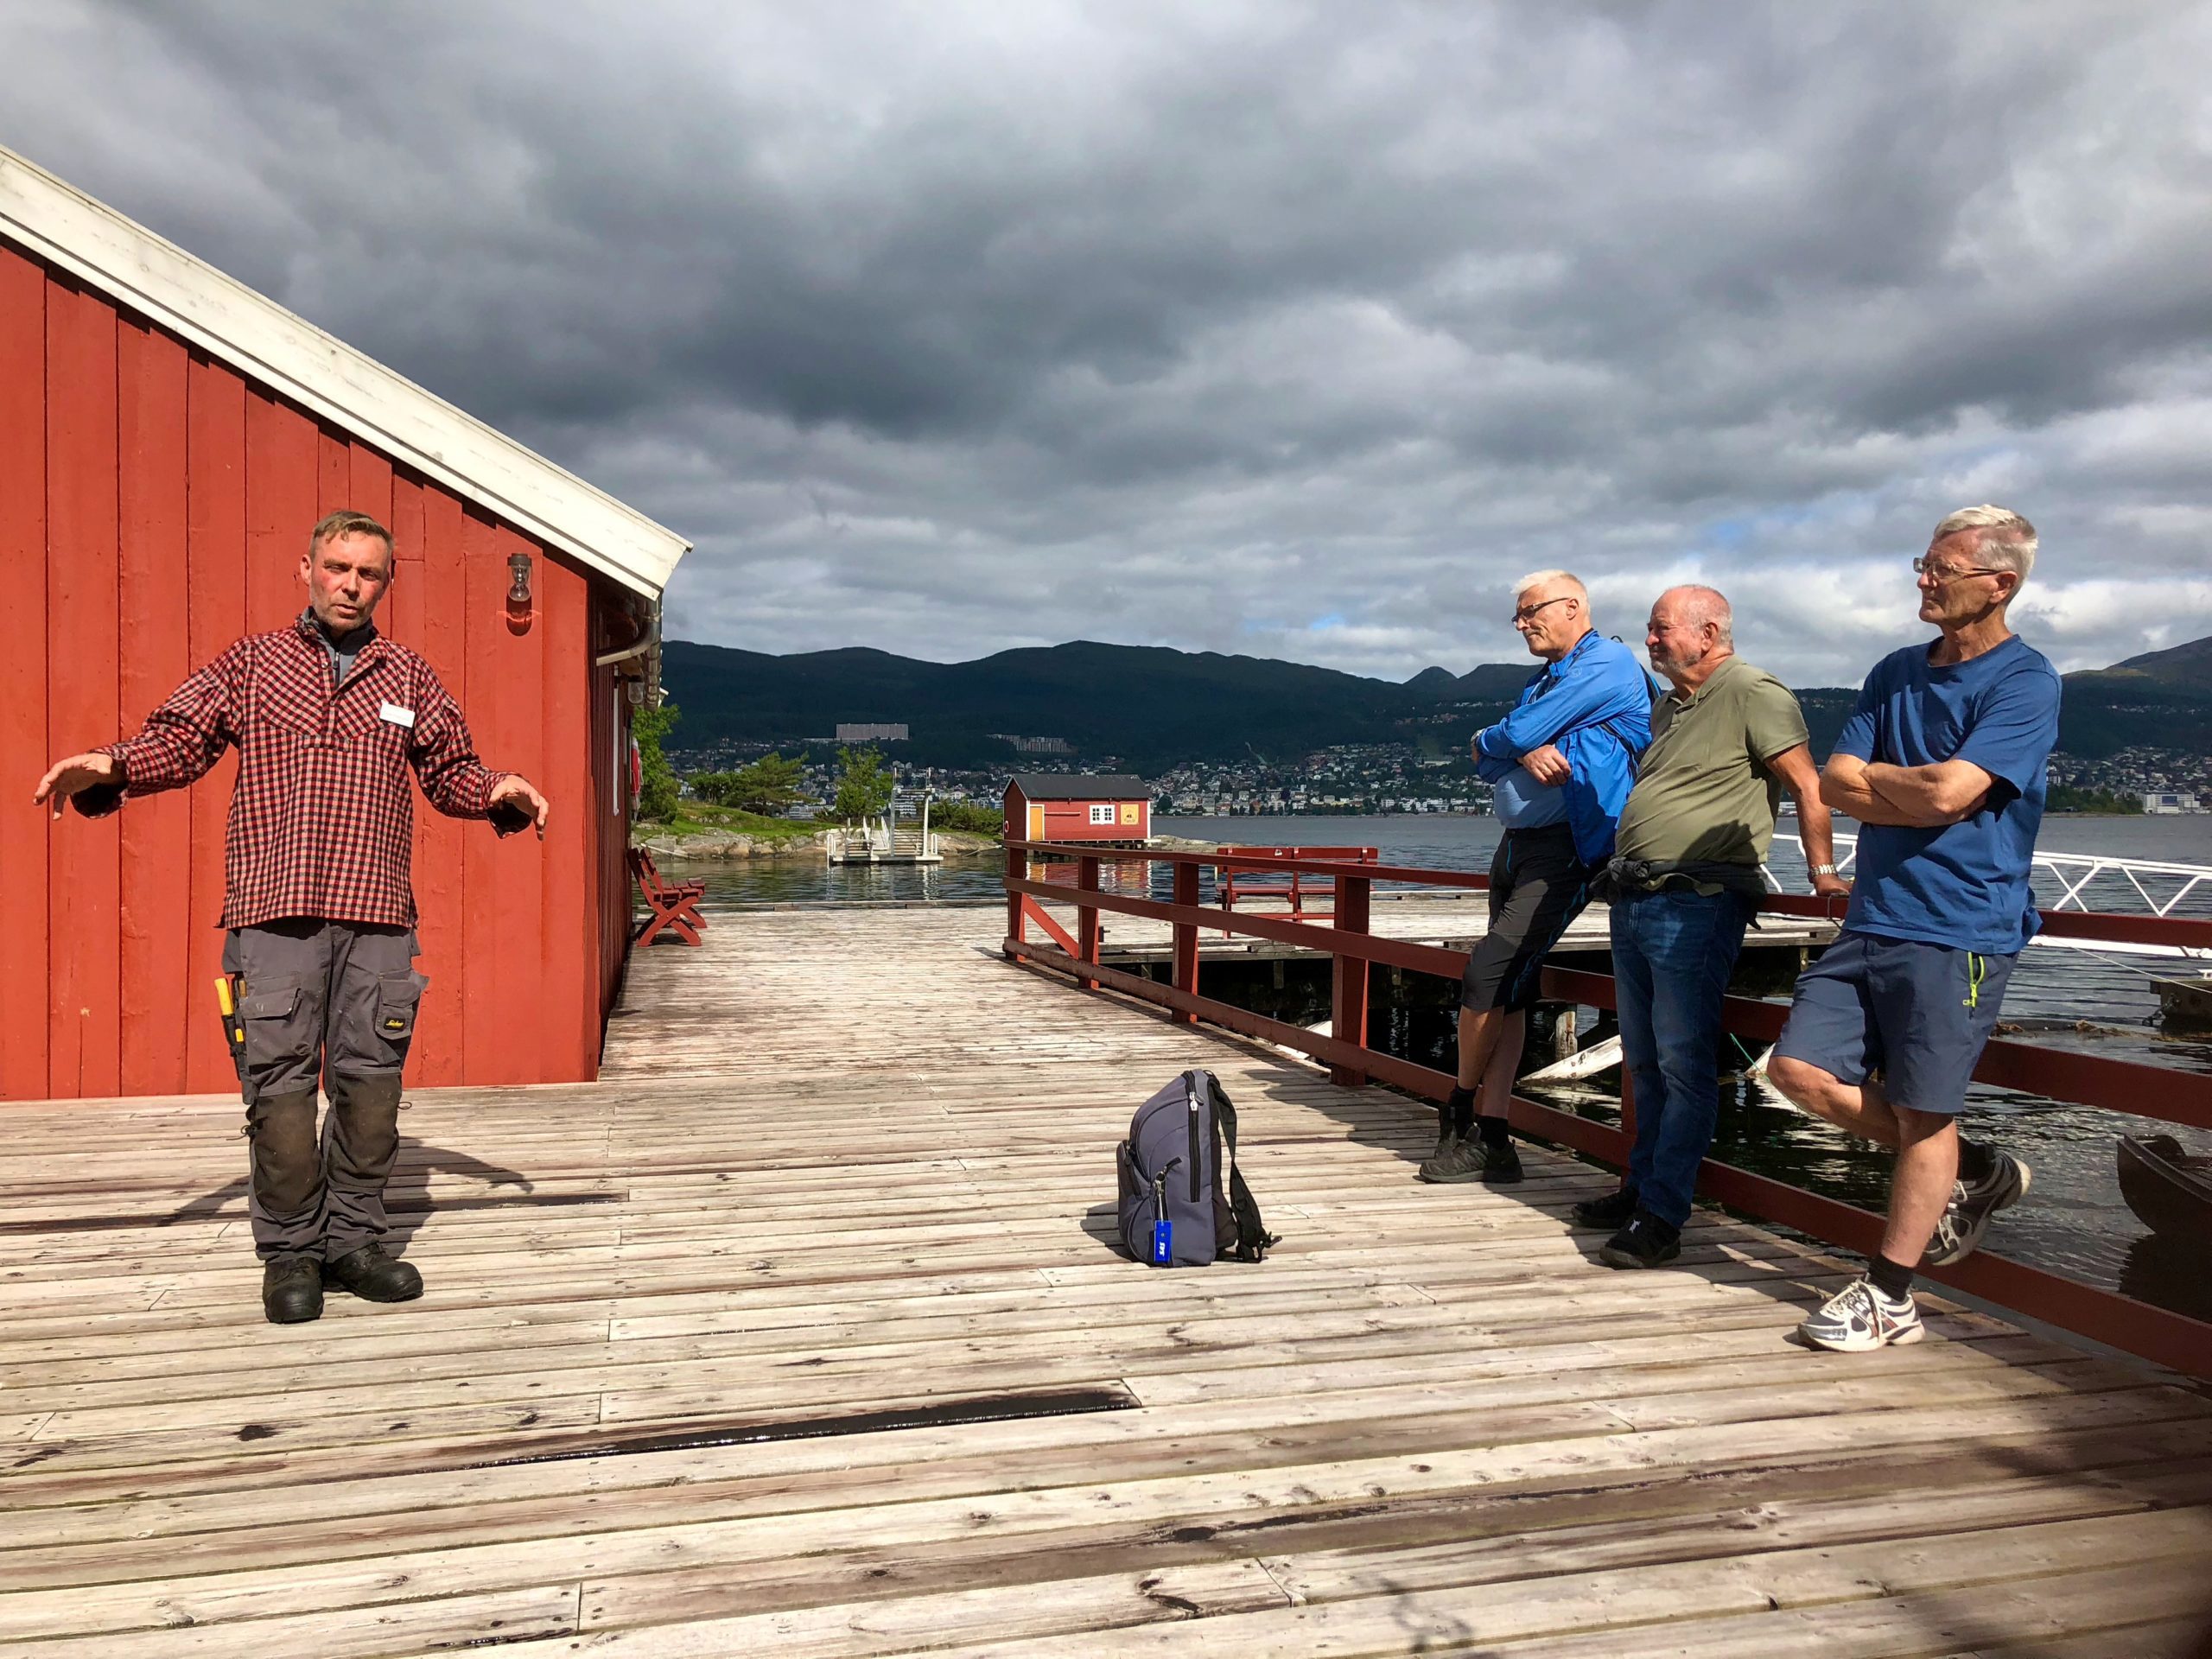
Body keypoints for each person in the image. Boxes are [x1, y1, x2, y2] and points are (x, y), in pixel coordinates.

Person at [33, 511, 550, 1325]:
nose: (350, 585)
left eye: (368, 573)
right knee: (277, 1093)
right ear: (305, 570)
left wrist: (498, 789)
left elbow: (451, 770)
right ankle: (291, 1252)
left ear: (387, 583)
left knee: (371, 1089)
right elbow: (181, 741)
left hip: (377, 913)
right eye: (337, 567)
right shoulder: (252, 664)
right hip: (273, 913)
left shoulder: (409, 676)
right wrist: (112, 763)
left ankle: (354, 1243)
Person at [1767, 505, 2058, 1353]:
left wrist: (1893, 785)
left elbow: (1949, 795)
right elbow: (1836, 785)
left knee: (1927, 1112)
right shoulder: (1893, 671)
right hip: (1873, 914)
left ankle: (1890, 1297)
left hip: (1960, 925)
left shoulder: (2026, 681)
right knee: (1794, 1069)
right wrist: (1917, 790)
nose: (1923, 580)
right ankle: (1975, 1169)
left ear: (1998, 584)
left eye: (1941, 568)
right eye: (1922, 565)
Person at [1576, 586, 1850, 1267]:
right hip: (1636, 899)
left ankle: (1663, 1217)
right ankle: (1640, 1190)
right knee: (1643, 1061)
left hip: (1696, 902)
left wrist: (1823, 874)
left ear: (1708, 633)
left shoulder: (1753, 691)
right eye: (1649, 627)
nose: (1650, 639)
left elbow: (1806, 785)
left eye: (1661, 627)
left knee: (1683, 1063)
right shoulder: (1669, 704)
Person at [1421, 571, 1652, 1184]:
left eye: (1530, 611)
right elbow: (1485, 757)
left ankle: (1459, 1107)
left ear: (1572, 606)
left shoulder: (1607, 664)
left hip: (1568, 848)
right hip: (1517, 847)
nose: (1522, 624)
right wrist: (1514, 747)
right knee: (1512, 989)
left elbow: (1511, 734)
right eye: (1517, 616)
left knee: (1487, 972)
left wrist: (1510, 739)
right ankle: (1495, 1137)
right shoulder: (1548, 680)